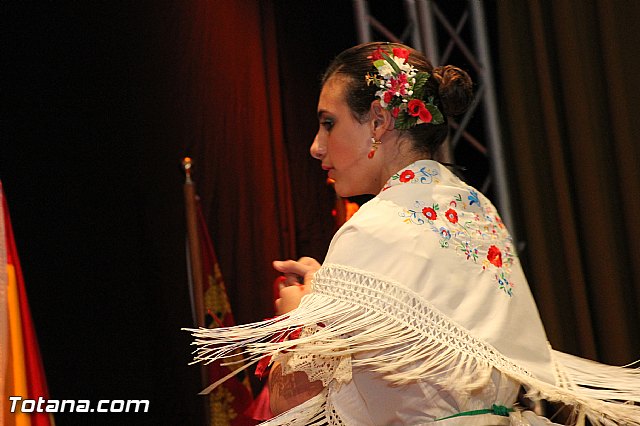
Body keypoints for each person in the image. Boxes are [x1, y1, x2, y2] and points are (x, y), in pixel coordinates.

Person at [187, 42, 640, 425]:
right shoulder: (476, 210)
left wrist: (297, 319)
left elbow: (295, 402)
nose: (316, 146)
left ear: (379, 122)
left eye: (329, 123)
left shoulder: (372, 228)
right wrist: (325, 287)